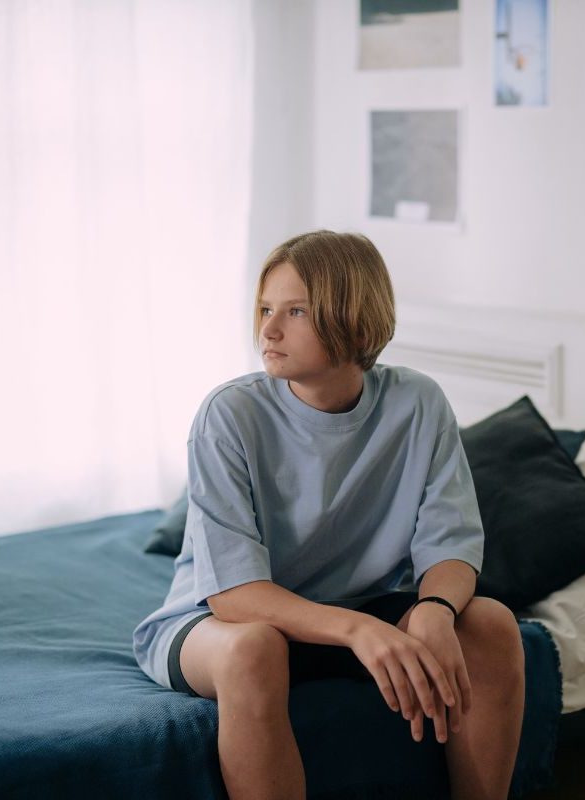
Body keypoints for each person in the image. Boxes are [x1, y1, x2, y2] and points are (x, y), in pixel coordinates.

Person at [133, 230, 525, 800]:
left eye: (295, 311)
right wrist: (360, 630)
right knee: (254, 650)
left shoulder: (419, 404)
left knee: (490, 624)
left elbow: (451, 543)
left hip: (354, 609)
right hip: (219, 624)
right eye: (266, 309)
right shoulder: (230, 415)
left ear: (357, 322)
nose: (268, 330)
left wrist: (435, 611)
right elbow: (233, 595)